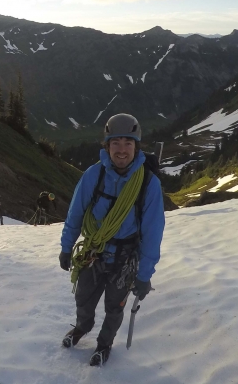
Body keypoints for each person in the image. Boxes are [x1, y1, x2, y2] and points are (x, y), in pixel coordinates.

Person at [57, 113, 165, 366]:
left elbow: (153, 232)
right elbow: (75, 213)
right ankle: (82, 327)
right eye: (115, 143)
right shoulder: (94, 175)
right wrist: (66, 247)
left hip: (125, 256)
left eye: (128, 143)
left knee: (114, 307)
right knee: (83, 298)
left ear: (136, 147)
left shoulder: (148, 184)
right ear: (107, 146)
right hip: (93, 251)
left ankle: (104, 345)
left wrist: (144, 275)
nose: (122, 149)